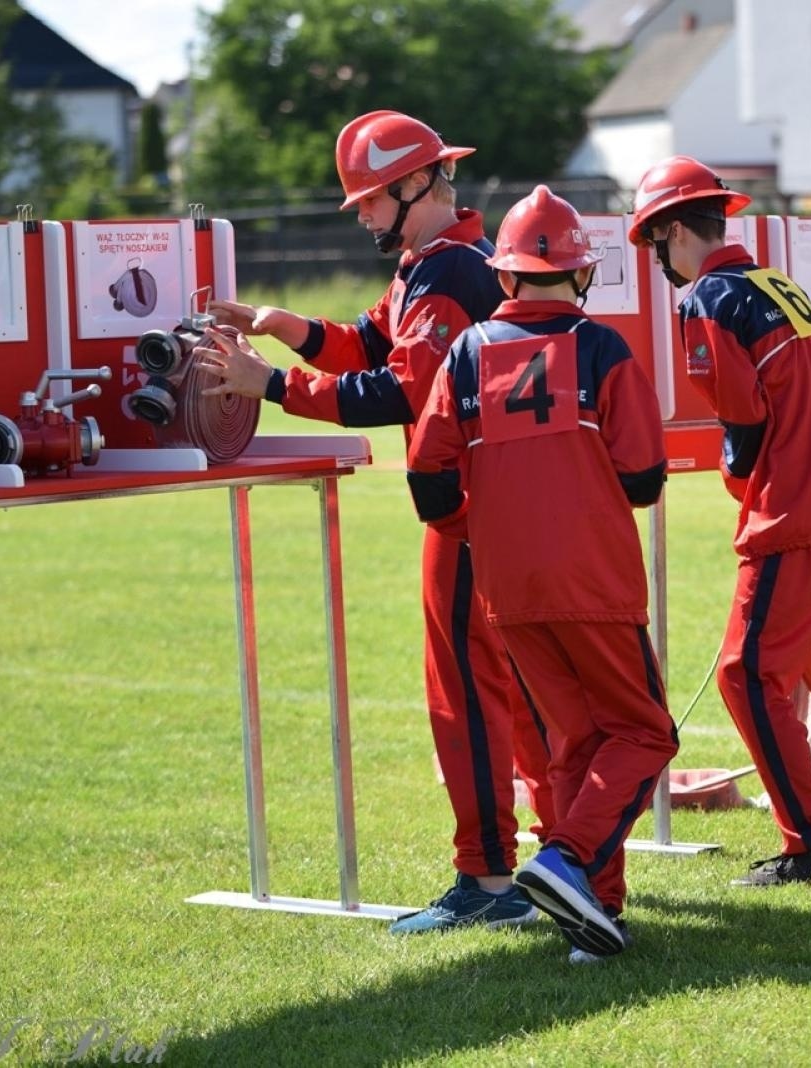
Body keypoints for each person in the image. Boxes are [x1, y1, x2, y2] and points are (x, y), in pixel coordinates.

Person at [196, 110, 556, 932]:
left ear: (416, 182)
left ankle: (488, 881)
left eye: (368, 198)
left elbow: (396, 389)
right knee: (521, 687)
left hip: (470, 509)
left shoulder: (448, 269)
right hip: (504, 503)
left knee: (467, 693)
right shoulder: (444, 260)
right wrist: (281, 326)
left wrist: (271, 385)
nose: (360, 214)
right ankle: (564, 854)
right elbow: (366, 342)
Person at [628, 155, 811, 888]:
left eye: (654, 241)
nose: (656, 258)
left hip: (790, 509)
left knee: (745, 675)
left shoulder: (706, 298)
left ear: (674, 230)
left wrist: (747, 472)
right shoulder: (778, 285)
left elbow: (743, 416)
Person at [406, 185, 676, 963]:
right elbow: (643, 479)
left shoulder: (467, 353)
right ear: (581, 274)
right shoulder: (602, 348)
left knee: (579, 741)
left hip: (508, 588)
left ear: (505, 274)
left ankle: (596, 913)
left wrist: (492, 526)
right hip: (594, 580)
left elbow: (428, 482)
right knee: (645, 732)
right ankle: (566, 859)